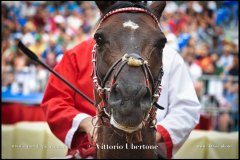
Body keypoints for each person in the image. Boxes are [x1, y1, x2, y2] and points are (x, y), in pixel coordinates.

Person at [41, 2, 201, 159]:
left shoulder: (170, 57)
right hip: (88, 151)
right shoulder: (76, 55)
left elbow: (186, 109)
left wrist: (155, 135)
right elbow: (55, 101)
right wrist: (86, 123)